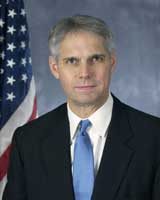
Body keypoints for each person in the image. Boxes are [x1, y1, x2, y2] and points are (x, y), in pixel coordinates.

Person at [2, 15, 160, 200]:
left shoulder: (153, 138)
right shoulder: (28, 140)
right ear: (54, 67)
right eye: (72, 61)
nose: (84, 73)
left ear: (112, 62)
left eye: (96, 59)